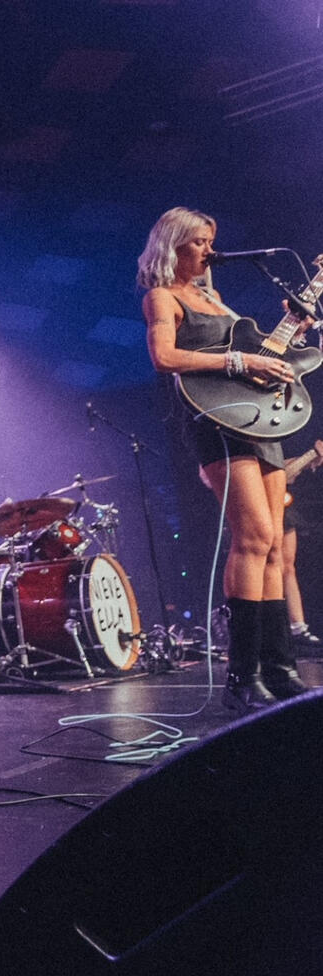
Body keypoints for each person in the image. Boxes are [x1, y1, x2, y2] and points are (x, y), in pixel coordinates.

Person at [139, 207, 308, 710]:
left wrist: (290, 332)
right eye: (198, 242)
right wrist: (239, 359)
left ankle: (280, 670)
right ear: (173, 246)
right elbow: (164, 358)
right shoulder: (161, 297)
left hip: (260, 423)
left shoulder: (214, 298)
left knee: (275, 544)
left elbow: (257, 352)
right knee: (252, 536)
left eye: (212, 240)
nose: (209, 250)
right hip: (216, 423)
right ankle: (242, 675)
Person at [283, 438, 323, 651]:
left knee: (287, 566)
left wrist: (309, 459)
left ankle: (298, 628)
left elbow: (283, 469)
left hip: (281, 502)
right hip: (256, 499)